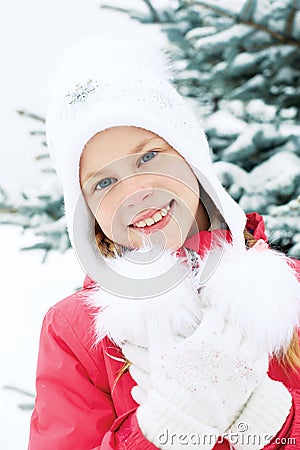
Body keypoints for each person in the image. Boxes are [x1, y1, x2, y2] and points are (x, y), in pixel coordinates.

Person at [28, 38, 300, 450]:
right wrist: (159, 433)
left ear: (190, 156)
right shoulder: (75, 332)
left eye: (149, 156)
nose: (135, 191)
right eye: (103, 182)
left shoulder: (290, 288)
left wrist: (277, 424)